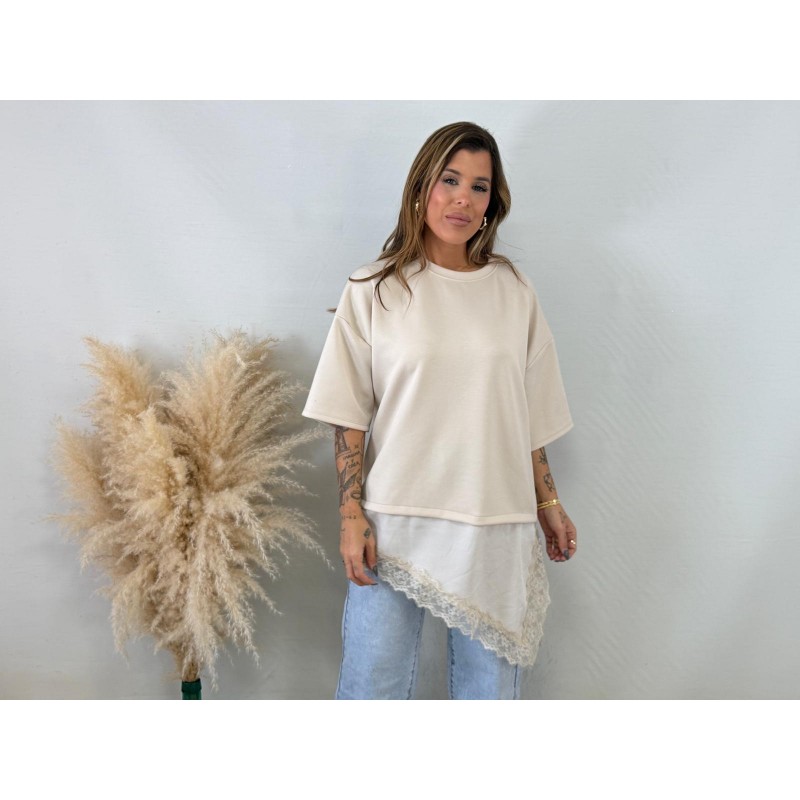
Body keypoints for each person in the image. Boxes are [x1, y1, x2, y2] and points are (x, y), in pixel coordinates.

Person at [302, 121, 577, 700]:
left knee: (489, 696)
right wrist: (350, 514)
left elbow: (526, 413)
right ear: (421, 186)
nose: (462, 199)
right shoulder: (373, 288)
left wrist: (548, 502)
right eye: (450, 180)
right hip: (392, 523)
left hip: (493, 523)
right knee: (371, 690)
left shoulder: (514, 291)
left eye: (479, 186)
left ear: (492, 202)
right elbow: (348, 414)